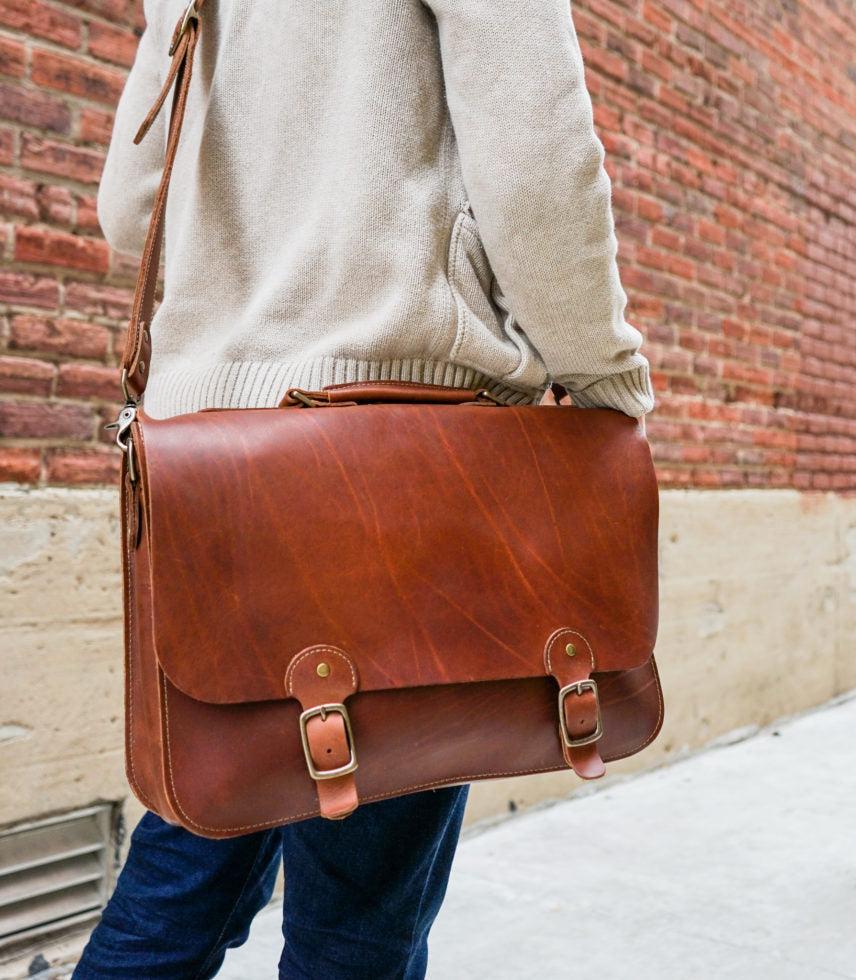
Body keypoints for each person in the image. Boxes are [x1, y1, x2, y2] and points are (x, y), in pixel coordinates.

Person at [76, 0, 656, 976]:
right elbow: (538, 155)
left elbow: (128, 213)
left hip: (216, 461)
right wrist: (605, 379)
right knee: (356, 930)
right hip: (398, 458)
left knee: (182, 872)